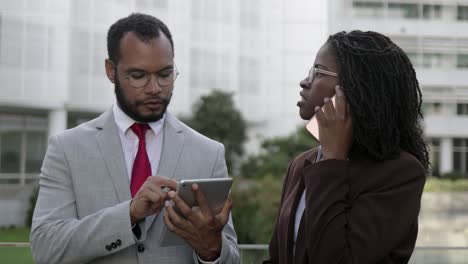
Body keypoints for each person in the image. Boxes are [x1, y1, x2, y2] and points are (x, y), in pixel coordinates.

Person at [30, 13, 239, 264]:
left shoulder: (208, 152)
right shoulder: (66, 149)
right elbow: (45, 248)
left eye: (165, 74)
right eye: (138, 76)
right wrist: (129, 214)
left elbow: (230, 259)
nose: (154, 88)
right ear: (110, 70)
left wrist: (211, 249)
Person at [264, 30, 429, 264]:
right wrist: (213, 249)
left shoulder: (400, 173)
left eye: (318, 72)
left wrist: (333, 161)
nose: (305, 81)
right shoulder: (302, 164)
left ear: (354, 88)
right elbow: (279, 258)